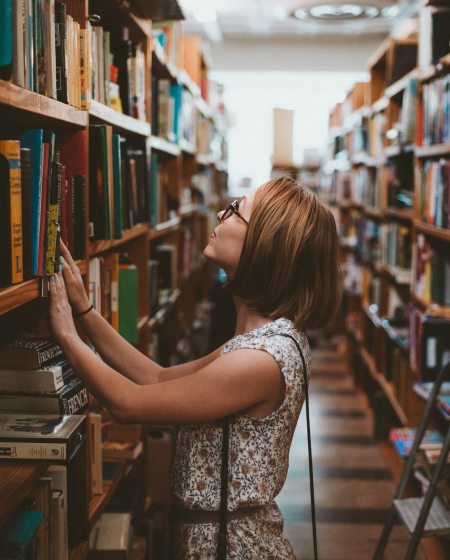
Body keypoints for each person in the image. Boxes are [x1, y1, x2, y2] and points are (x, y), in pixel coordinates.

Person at [49, 175, 341, 559]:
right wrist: (85, 311)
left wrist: (66, 335)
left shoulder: (261, 360)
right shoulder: (261, 341)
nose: (221, 211)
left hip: (230, 547)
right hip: (214, 537)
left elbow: (128, 404)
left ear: (264, 246)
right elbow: (155, 377)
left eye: (236, 210)